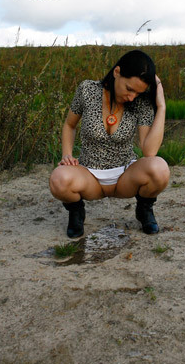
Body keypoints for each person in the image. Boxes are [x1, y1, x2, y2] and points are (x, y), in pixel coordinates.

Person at [49, 49, 170, 239]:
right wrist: (67, 154)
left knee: (160, 169)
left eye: (138, 93)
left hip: (125, 176)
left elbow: (149, 151)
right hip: (89, 175)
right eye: (129, 89)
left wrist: (161, 106)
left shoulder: (140, 102)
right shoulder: (87, 90)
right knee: (58, 179)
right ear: (117, 72)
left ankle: (144, 209)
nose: (132, 97)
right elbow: (69, 125)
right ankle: (76, 212)